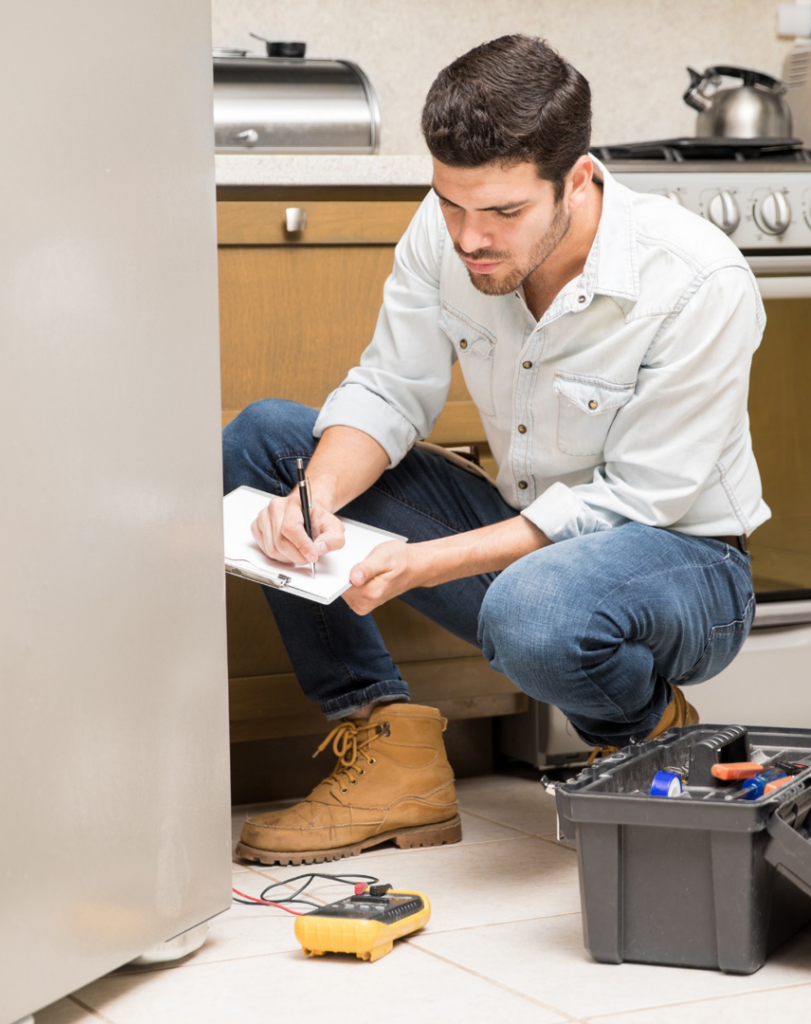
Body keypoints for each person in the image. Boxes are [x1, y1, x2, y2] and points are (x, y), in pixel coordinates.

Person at [223, 34, 768, 866]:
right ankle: (388, 751)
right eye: (451, 204)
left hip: (684, 563)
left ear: (576, 181)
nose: (469, 238)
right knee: (267, 440)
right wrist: (316, 495)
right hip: (525, 536)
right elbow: (390, 388)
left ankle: (647, 732)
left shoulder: (697, 280)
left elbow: (633, 500)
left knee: (536, 610)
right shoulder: (445, 231)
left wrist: (422, 564)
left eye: (503, 214)